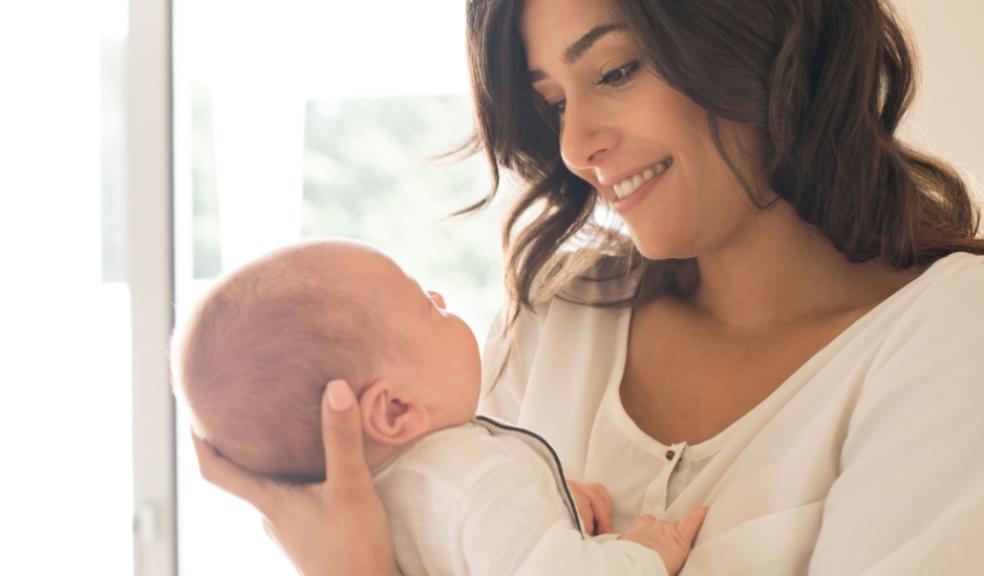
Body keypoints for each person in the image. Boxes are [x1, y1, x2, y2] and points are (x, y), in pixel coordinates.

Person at [193, 0, 984, 574]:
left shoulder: (948, 337)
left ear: (755, 35)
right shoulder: (562, 309)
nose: (574, 144)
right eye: (554, 103)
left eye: (615, 70)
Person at [174, 239, 709, 575]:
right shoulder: (474, 483)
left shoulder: (375, 502)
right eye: (425, 305)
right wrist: (643, 554)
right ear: (395, 410)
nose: (443, 299)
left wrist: (547, 504)